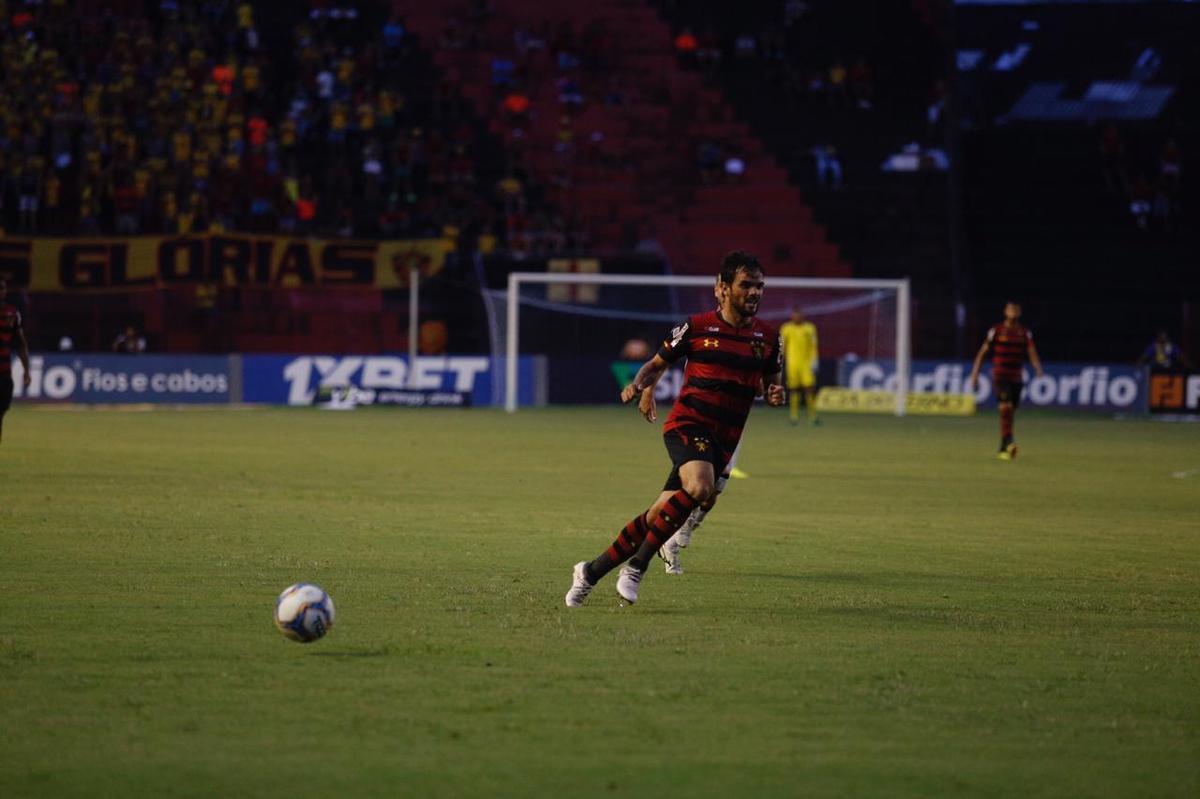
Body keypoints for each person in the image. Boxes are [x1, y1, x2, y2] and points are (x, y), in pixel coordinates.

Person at [565, 251, 786, 606]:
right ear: (723, 288)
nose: (755, 292)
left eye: (759, 286)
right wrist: (640, 386)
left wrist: (775, 394)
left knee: (659, 514)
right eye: (746, 285)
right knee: (701, 486)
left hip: (725, 439)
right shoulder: (696, 327)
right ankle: (636, 568)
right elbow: (655, 364)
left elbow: (769, 385)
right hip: (688, 424)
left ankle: (590, 572)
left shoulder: (769, 338)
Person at [969, 301, 1044, 460]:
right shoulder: (996, 331)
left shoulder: (1024, 332)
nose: (1013, 312)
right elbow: (983, 352)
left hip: (1016, 377)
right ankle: (1009, 441)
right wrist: (975, 373)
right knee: (1005, 408)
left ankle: (1004, 446)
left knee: (1010, 411)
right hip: (1000, 375)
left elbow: (1032, 351)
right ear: (1005, 311)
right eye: (1011, 309)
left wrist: (1037, 367)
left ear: (1019, 312)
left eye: (1016, 310)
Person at [0, 278, 32, 446]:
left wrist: (26, 371)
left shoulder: (11, 314)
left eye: (2, 288)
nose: (0, 292)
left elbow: (20, 344)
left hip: (4, 375)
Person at [780, 307, 820, 425]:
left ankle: (812, 416)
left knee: (809, 388)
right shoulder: (786, 328)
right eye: (794, 315)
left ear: (803, 316)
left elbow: (814, 345)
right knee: (793, 390)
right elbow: (782, 345)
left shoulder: (810, 328)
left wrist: (815, 360)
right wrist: (780, 359)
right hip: (792, 364)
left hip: (807, 364)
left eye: (799, 315)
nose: (796, 317)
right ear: (792, 316)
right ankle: (794, 416)